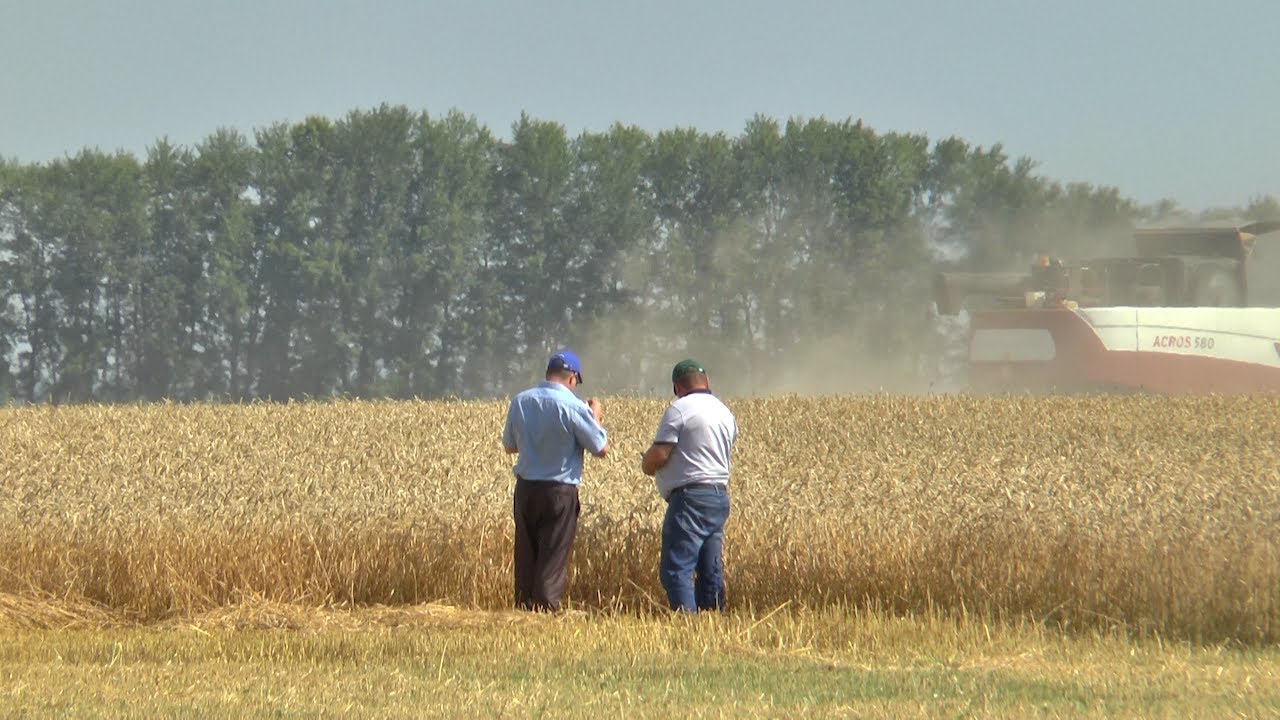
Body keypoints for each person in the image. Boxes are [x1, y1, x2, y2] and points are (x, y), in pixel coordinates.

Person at [502, 349, 609, 611]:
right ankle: (547, 608)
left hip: (526, 488)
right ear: (572, 378)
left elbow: (509, 446)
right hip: (559, 490)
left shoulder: (521, 401)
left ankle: (524, 608)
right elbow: (600, 447)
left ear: (548, 374)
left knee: (527, 553)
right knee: (553, 553)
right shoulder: (574, 406)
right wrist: (595, 417)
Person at [640, 359, 737, 612]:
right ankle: (713, 617)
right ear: (707, 382)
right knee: (710, 565)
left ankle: (688, 623)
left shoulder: (680, 410)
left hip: (690, 497)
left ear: (676, 387)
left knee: (677, 567)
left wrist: (646, 464)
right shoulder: (724, 412)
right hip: (718, 495)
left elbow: (661, 454)